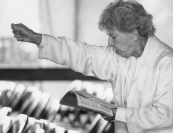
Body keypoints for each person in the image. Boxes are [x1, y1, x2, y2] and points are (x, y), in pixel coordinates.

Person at [11, 0, 173, 133]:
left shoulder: (166, 62)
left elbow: (165, 115)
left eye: (113, 36)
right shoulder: (121, 57)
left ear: (134, 34)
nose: (109, 43)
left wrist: (118, 113)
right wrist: (38, 39)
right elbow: (82, 54)